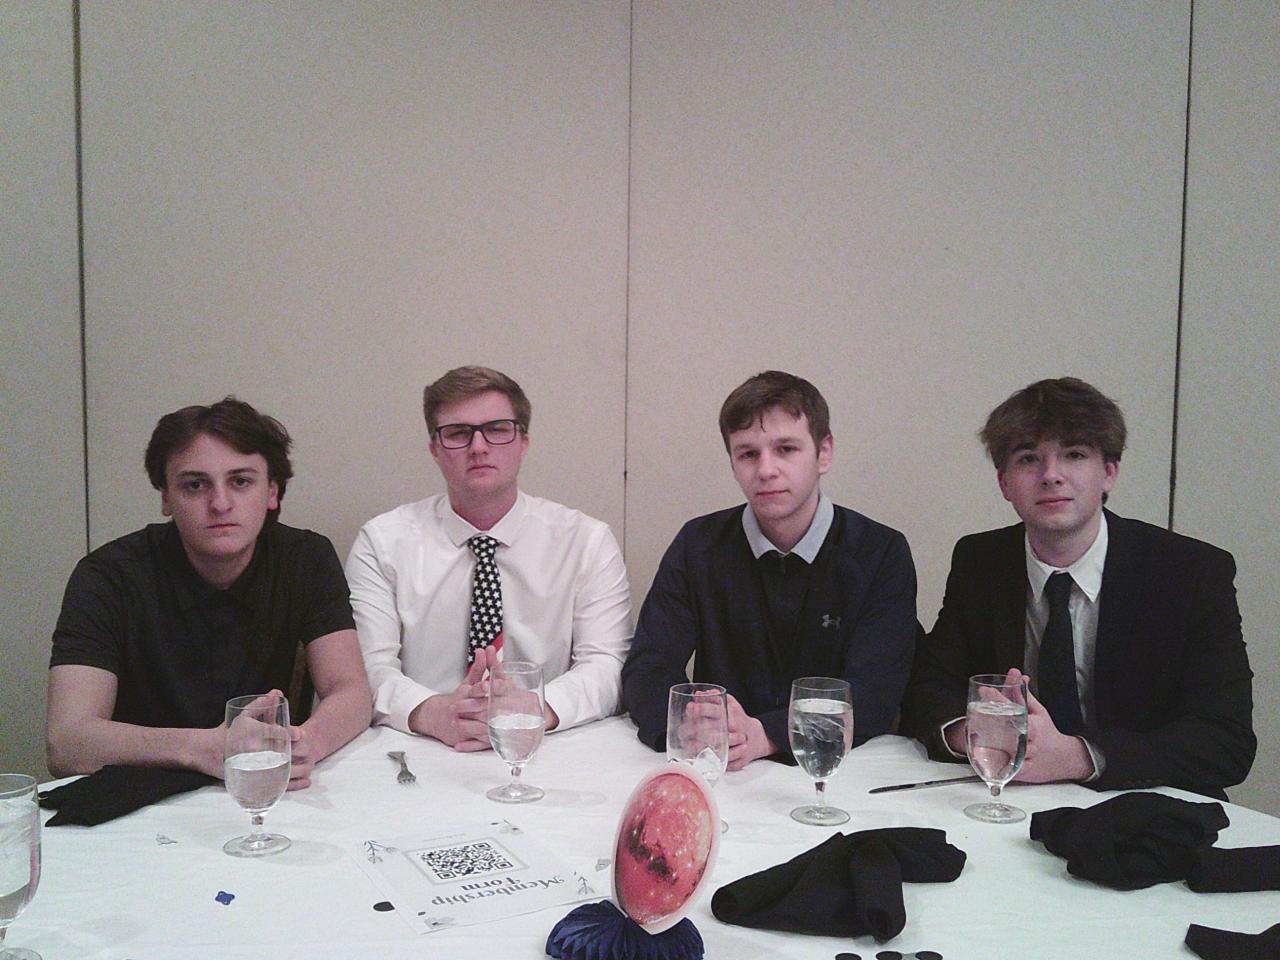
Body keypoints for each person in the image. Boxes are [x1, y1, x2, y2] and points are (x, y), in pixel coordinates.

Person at [901, 377, 1255, 798]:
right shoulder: (981, 560)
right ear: (1004, 483)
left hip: (1144, 805)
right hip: (1011, 797)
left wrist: (1079, 757)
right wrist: (974, 731)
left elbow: (1225, 740)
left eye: (1074, 455)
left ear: (1109, 473)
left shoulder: (1190, 572)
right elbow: (929, 685)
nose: (1051, 475)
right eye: (1029, 459)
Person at [47, 398, 372, 790]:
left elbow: (351, 692)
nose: (220, 504)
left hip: (265, 787)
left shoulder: (306, 558)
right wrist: (206, 748)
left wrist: (309, 744)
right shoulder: (107, 575)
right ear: (166, 498)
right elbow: (67, 742)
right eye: (195, 485)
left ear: (272, 492)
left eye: (240, 481)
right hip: (140, 797)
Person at [621, 371, 918, 770]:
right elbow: (648, 666)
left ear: (824, 453)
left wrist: (768, 733)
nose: (766, 470)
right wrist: (687, 721)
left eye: (786, 449)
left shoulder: (880, 551)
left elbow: (875, 692)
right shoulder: (698, 544)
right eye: (748, 454)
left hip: (833, 771)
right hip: (721, 766)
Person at [345, 366, 631, 750]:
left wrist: (534, 708)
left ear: (523, 442)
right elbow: (365, 667)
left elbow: (608, 664)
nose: (478, 447)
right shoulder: (382, 543)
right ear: (434, 449)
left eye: (497, 429)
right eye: (457, 433)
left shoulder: (585, 542)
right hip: (420, 747)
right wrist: (432, 712)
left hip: (548, 745)